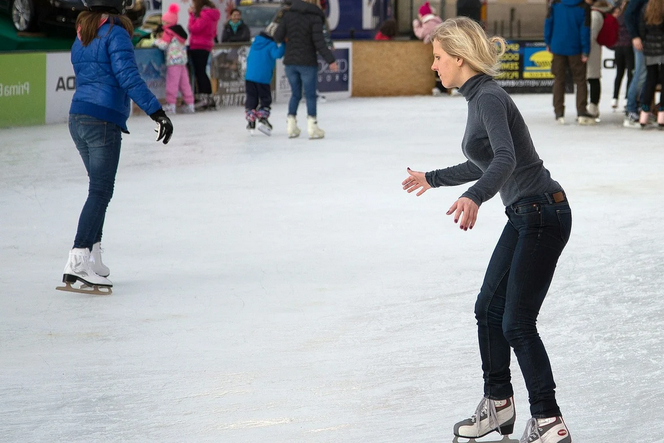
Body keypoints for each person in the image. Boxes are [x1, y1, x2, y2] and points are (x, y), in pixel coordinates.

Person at [402, 17, 573, 443]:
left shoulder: (489, 97)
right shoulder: (478, 97)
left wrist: (475, 197)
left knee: (516, 322)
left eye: (439, 57)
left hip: (542, 214)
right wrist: (433, 177)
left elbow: (505, 159)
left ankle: (549, 421)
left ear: (459, 58)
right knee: (488, 310)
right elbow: (483, 161)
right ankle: (498, 404)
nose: (434, 66)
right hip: (525, 214)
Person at [60, 0, 173, 294]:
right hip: (102, 119)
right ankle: (78, 258)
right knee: (100, 191)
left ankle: (93, 255)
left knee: (98, 189)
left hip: (78, 117)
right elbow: (127, 76)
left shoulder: (83, 31)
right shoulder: (114, 32)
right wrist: (156, 111)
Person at [274, 0, 338, 139]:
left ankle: (291, 125)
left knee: (295, 94)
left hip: (290, 62)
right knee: (310, 95)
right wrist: (331, 60)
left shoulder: (287, 15)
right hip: (307, 62)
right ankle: (312, 127)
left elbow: (277, 37)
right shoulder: (315, 17)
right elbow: (319, 43)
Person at [545, 0, 596, 125]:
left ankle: (558, 112)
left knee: (559, 80)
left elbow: (548, 23)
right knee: (580, 80)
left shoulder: (555, 3)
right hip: (576, 48)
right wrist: (585, 51)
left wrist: (548, 41)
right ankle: (581, 110)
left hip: (558, 46)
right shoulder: (584, 7)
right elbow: (585, 30)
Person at [244, 19, 285, 135]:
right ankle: (263, 118)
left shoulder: (255, 42)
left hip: (250, 77)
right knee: (265, 98)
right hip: (263, 78)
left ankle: (251, 120)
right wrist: (284, 44)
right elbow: (277, 54)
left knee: (251, 98)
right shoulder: (271, 44)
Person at [155, 3, 195, 114]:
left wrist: (156, 41)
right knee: (184, 83)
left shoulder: (168, 32)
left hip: (173, 61)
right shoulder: (180, 31)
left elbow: (164, 45)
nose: (163, 24)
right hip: (182, 60)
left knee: (172, 82)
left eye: (164, 21)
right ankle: (190, 104)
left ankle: (171, 104)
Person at [187, 0, 220, 111]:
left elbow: (194, 28)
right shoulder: (211, 15)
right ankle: (208, 97)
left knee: (200, 72)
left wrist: (191, 15)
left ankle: (204, 97)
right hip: (206, 44)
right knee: (202, 72)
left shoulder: (204, 15)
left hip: (198, 45)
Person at [637, 0, 664, 127]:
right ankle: (662, 116)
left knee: (650, 80)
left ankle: (644, 114)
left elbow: (642, 30)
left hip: (650, 50)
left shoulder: (646, 9)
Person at [623, 0, 650, 126]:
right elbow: (628, 14)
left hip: (652, 39)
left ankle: (641, 106)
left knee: (649, 76)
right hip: (642, 39)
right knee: (641, 74)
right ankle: (631, 108)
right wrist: (635, 36)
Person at [587, 0, 614, 120]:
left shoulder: (594, 14)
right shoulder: (601, 13)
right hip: (595, 49)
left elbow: (592, 34)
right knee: (594, 77)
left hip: (591, 50)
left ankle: (593, 107)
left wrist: (585, 51)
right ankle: (594, 106)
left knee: (593, 78)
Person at [413, 2, 446, 95]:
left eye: (419, 14)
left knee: (439, 68)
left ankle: (440, 88)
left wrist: (416, 25)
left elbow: (420, 34)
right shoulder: (437, 21)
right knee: (442, 67)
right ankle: (443, 88)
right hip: (444, 48)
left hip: (440, 48)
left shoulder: (429, 23)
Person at [611, 0, 635, 111]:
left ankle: (614, 98)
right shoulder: (631, 15)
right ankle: (626, 98)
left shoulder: (617, 17)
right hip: (629, 46)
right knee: (630, 73)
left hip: (618, 47)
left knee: (619, 73)